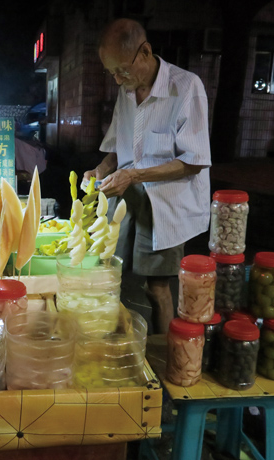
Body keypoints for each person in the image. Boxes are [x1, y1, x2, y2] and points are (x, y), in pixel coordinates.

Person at [84, 18, 211, 334]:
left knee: (156, 289)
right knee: (109, 277)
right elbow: (119, 147)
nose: (117, 79)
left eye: (123, 70)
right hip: (128, 197)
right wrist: (100, 170)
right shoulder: (126, 90)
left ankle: (167, 356)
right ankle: (114, 344)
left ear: (145, 52)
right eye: (111, 72)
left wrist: (133, 175)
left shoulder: (185, 87)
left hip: (166, 203)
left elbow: (194, 162)